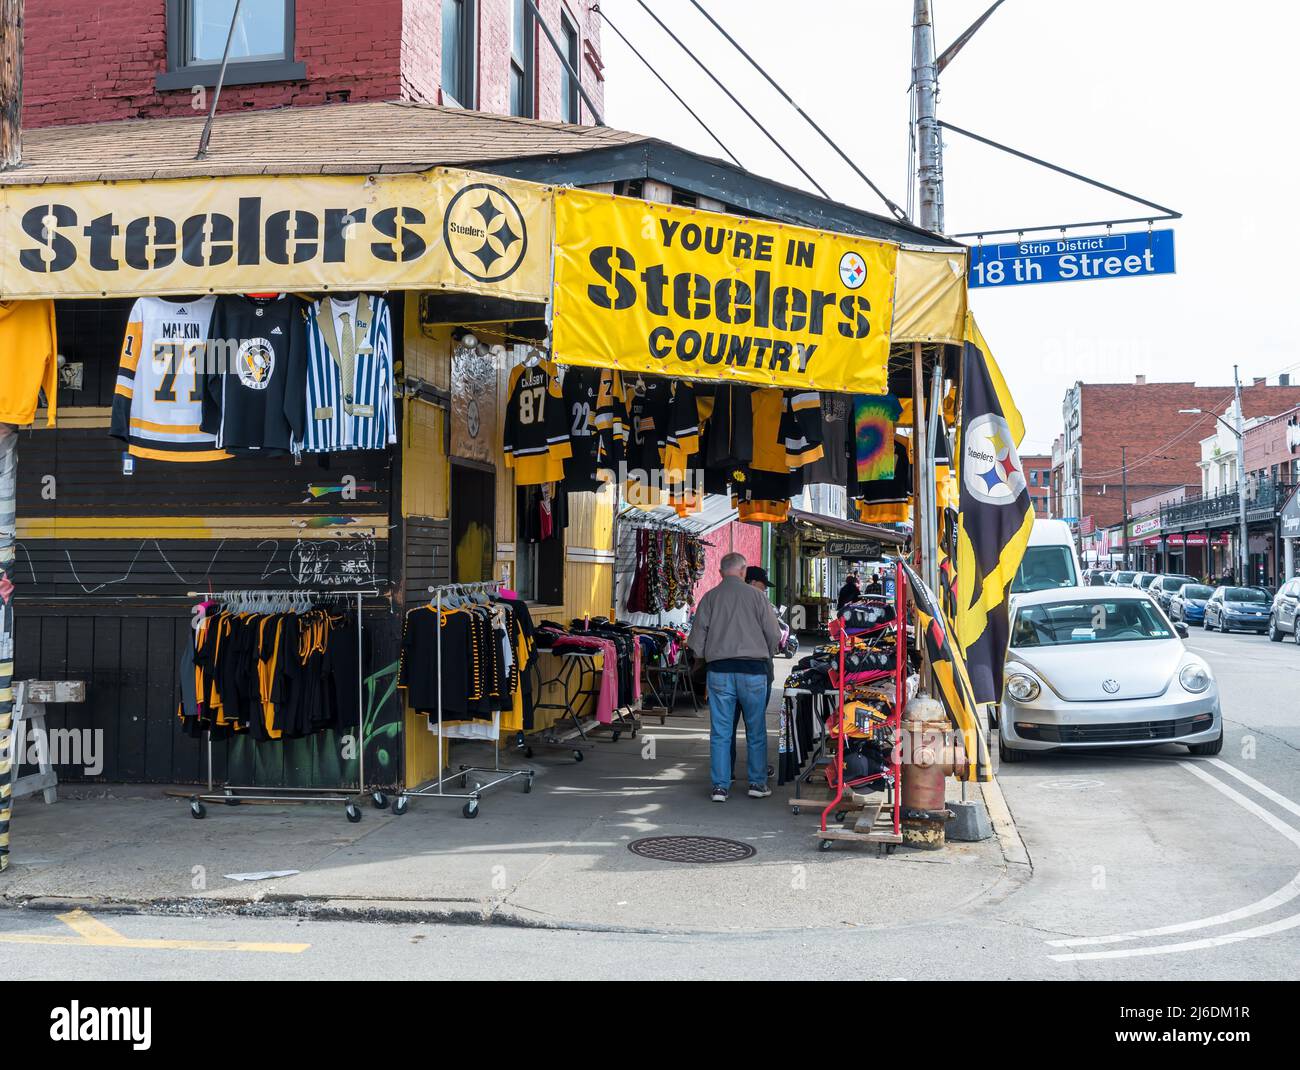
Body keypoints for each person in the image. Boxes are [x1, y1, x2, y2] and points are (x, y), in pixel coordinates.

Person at [689, 552, 783, 802]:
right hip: (753, 672)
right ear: (743, 571)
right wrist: (765, 653)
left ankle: (720, 786)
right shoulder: (757, 597)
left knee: (721, 731)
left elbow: (696, 641)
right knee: (756, 730)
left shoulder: (709, 598)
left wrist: (706, 655)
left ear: (721, 572)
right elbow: (774, 633)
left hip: (719, 672)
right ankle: (757, 783)